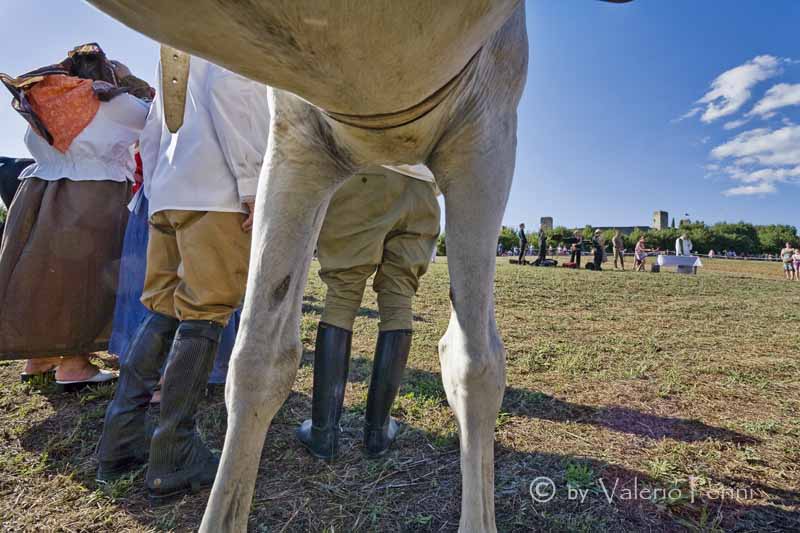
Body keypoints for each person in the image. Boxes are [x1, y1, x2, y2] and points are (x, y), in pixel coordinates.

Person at [95, 54, 269, 500]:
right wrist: (252, 182)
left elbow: (155, 122)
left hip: (170, 189)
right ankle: (173, 453)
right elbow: (232, 94)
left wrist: (156, 188)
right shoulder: (224, 28)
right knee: (206, 311)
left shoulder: (174, 42)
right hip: (217, 190)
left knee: (161, 307)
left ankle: (120, 443)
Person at [0, 43, 151, 388]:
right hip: (93, 193)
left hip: (38, 192)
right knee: (84, 277)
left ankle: (39, 356)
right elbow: (154, 118)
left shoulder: (45, 98)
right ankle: (74, 364)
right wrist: (132, 83)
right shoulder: (111, 101)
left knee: (42, 275)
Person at [297, 164, 439, 460]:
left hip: (368, 174)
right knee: (399, 298)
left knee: (342, 293)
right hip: (424, 191)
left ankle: (324, 433)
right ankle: (377, 431)